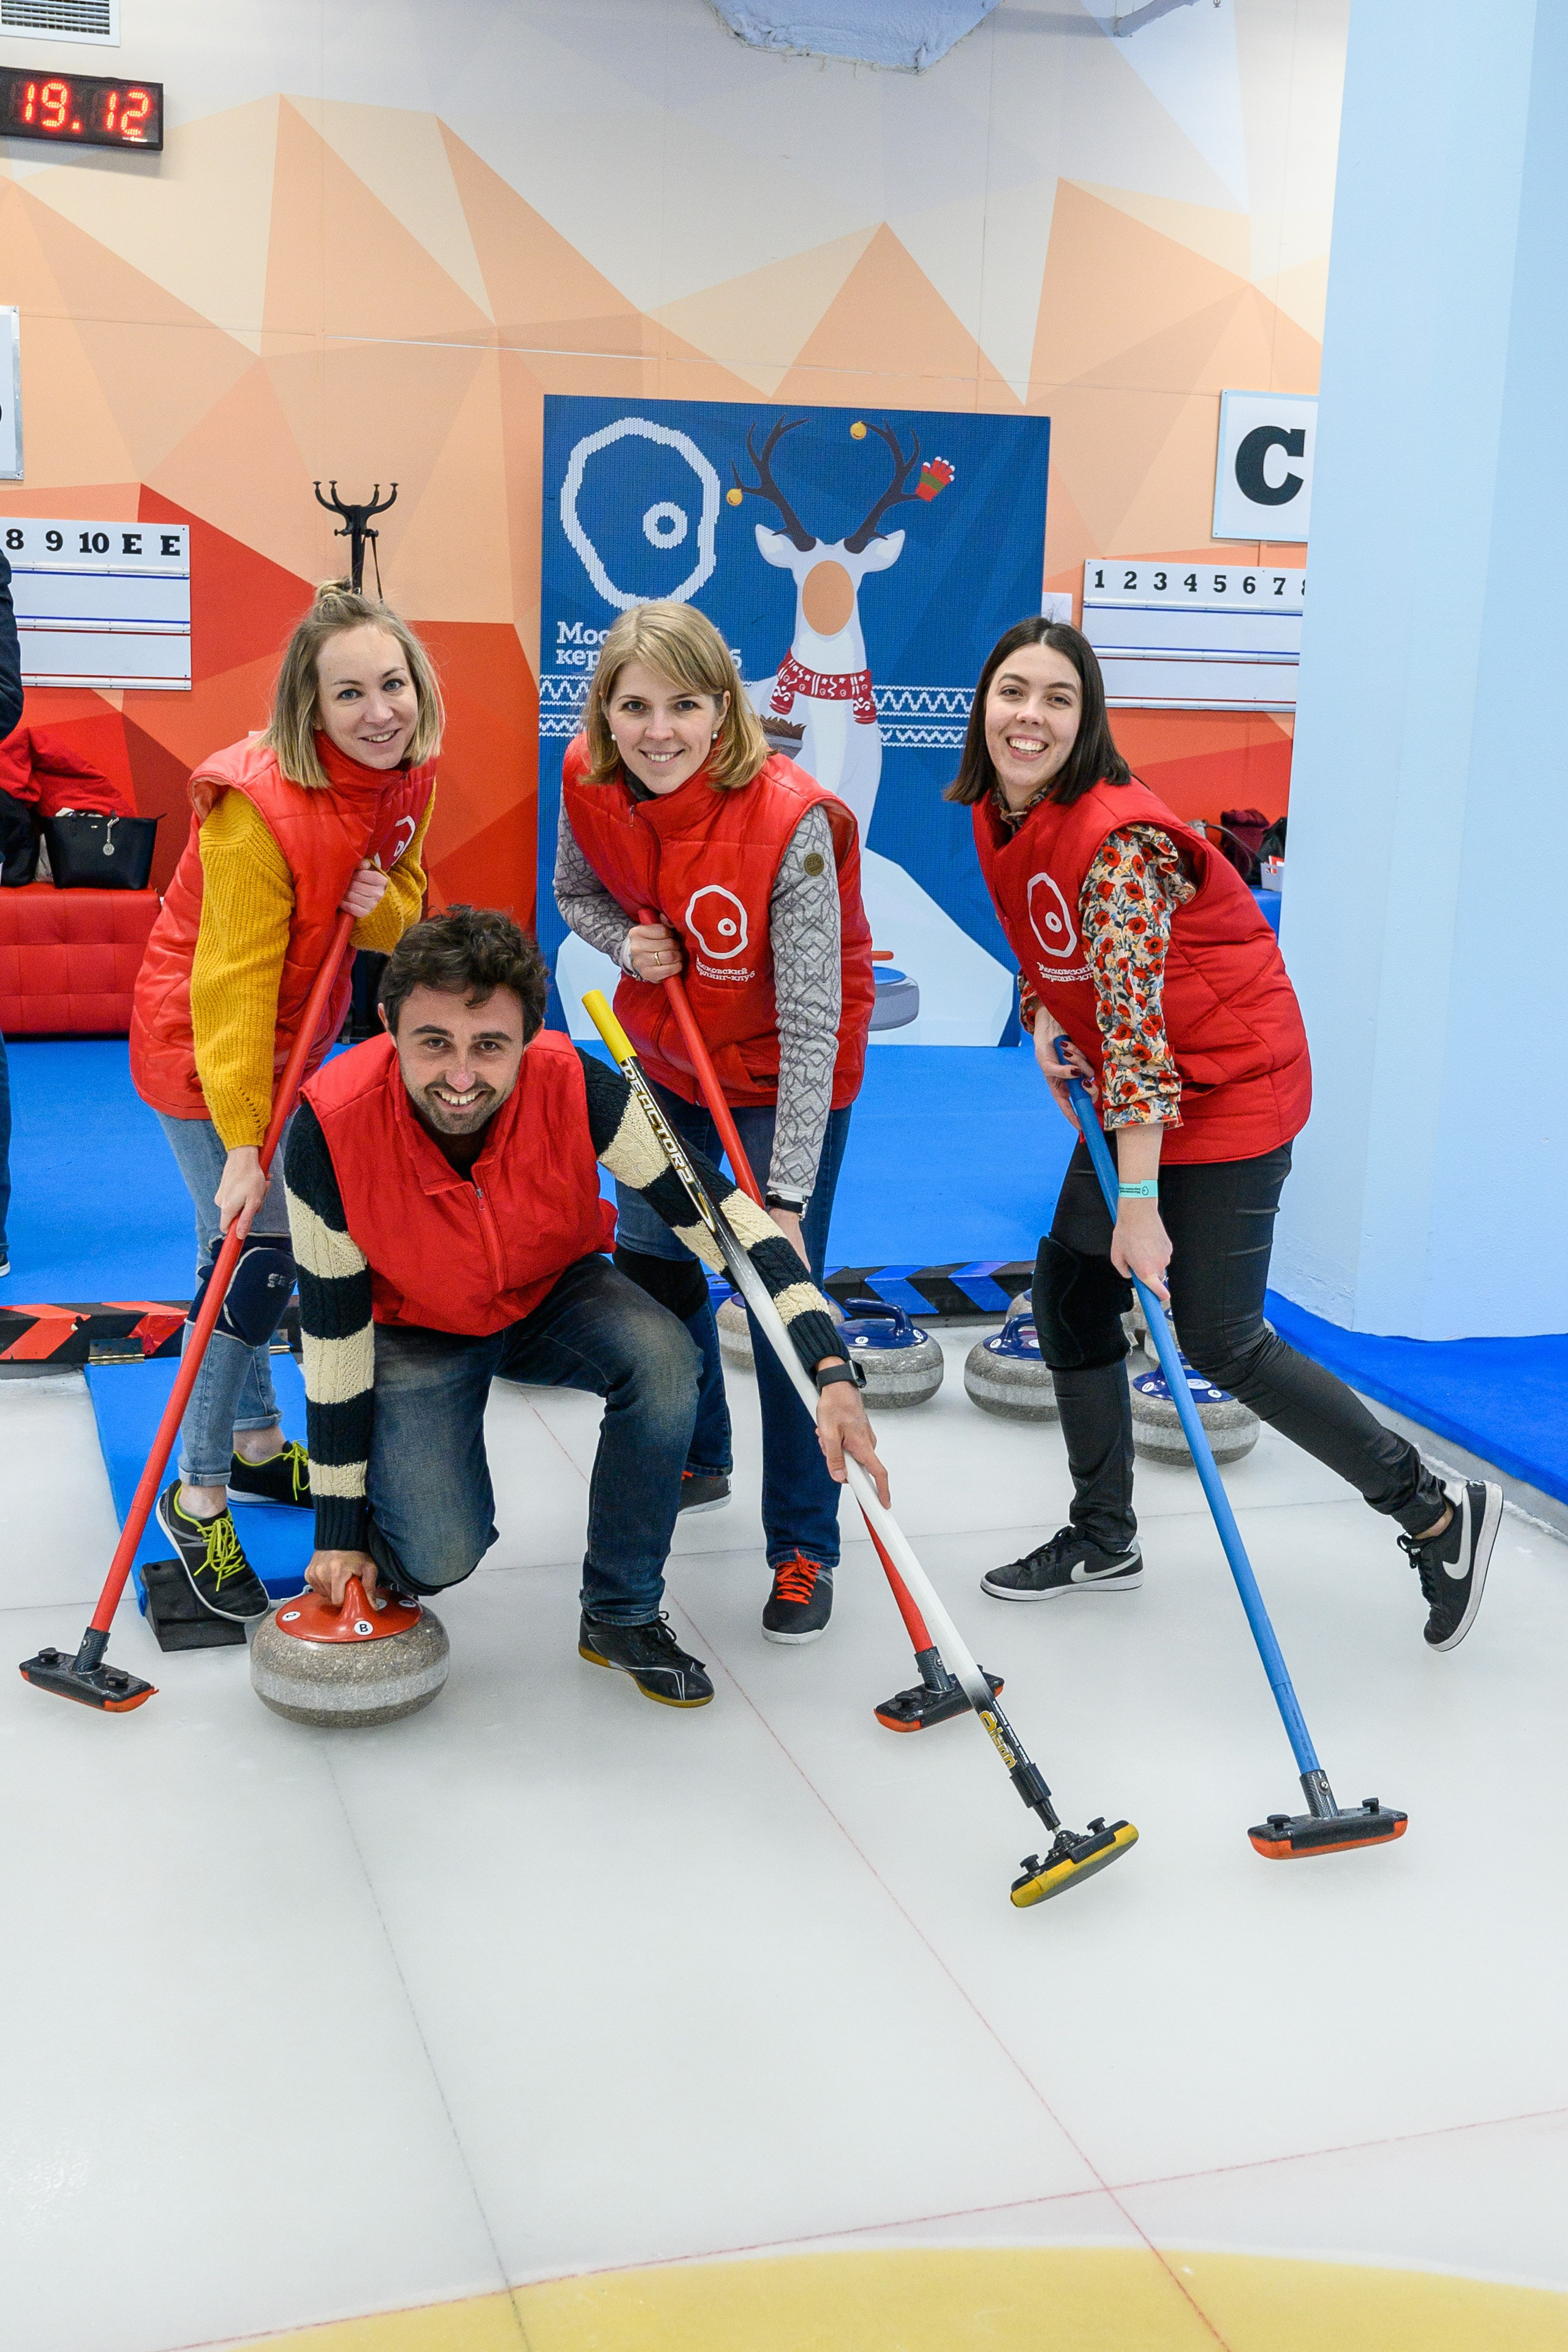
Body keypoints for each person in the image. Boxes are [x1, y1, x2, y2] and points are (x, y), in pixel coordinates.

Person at [952, 616, 1499, 1651]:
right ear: (985, 704)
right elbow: (1053, 948)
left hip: (1226, 1088)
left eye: (1058, 699)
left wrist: (1145, 1209)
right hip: (1138, 1083)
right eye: (1013, 691)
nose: (1030, 716)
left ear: (1088, 718)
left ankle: (1433, 1509)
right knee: (1072, 1293)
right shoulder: (1003, 811)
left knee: (1218, 1336)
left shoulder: (1116, 844)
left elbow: (1144, 1039)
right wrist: (1038, 1016)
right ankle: (1104, 1536)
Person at [283, 906, 887, 1709]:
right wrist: (337, 1530)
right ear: (388, 1024)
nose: (461, 1077)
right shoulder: (329, 1127)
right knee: (436, 1556)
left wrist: (830, 1367)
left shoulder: (579, 1086)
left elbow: (729, 1224)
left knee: (667, 1356)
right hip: (416, 1324)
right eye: (435, 1043)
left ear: (530, 1038)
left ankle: (621, 1612)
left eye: (490, 1047)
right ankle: (389, 1530)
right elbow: (332, 1340)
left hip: (550, 1290)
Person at [555, 600, 875, 1645]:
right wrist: (628, 943)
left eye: (684, 706)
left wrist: (783, 1196)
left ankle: (802, 1547)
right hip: (662, 1063)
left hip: (783, 1085)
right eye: (634, 706)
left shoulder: (794, 824)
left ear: (722, 707)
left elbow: (814, 1018)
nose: (659, 731)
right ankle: (700, 1451)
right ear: (605, 710)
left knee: (786, 1317)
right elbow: (574, 895)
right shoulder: (590, 781)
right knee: (656, 1277)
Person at [129, 584, 440, 1621]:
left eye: (391, 683)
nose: (379, 709)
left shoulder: (407, 775)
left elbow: (405, 902)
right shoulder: (253, 811)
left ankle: (260, 1447)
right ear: (311, 708)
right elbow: (229, 990)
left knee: (241, 1254)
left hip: (296, 1039)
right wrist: (242, 1141)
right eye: (348, 693)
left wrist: (375, 898)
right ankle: (199, 1490)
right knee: (253, 1257)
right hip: (207, 1046)